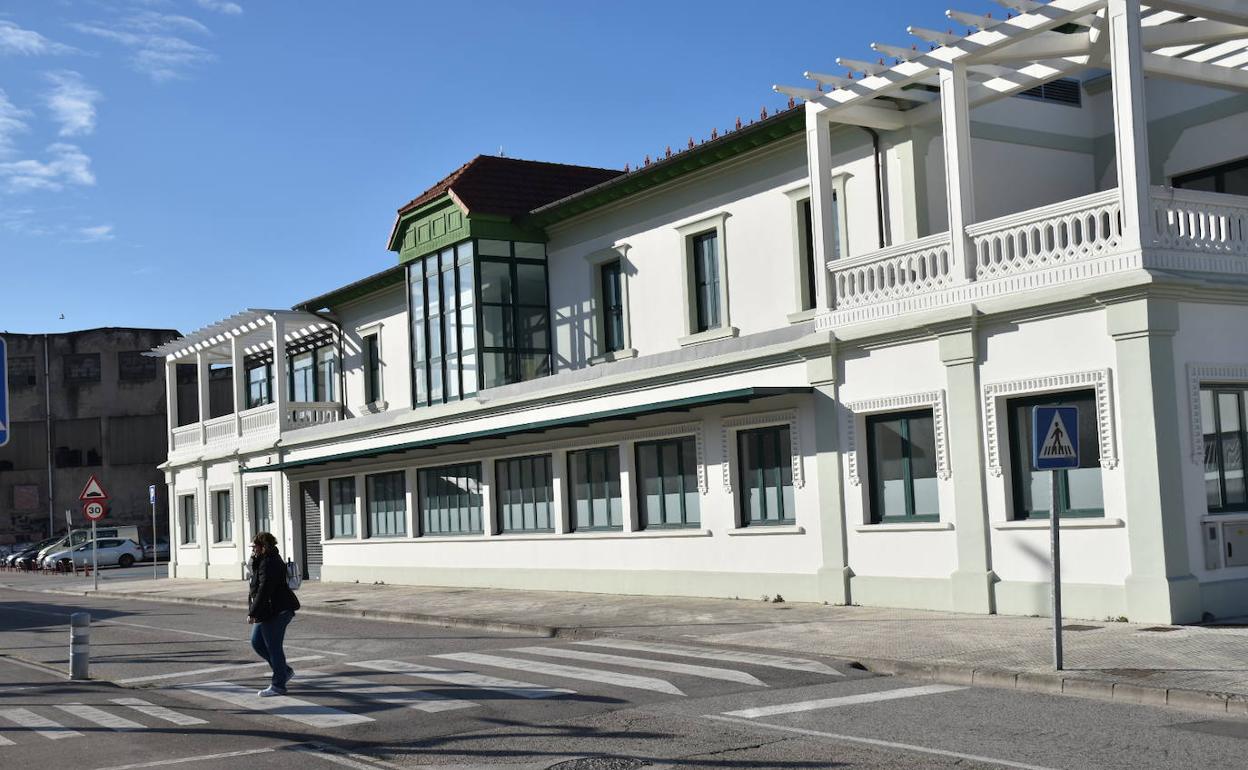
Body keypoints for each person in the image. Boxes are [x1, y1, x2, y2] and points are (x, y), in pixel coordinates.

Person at [247, 531, 301, 697]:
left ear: (263, 546)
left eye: (255, 546)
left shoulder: (269, 562)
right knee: (257, 642)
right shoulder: (262, 560)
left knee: (274, 647)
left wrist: (253, 612)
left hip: (277, 610)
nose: (252, 550)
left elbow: (264, 590)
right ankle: (284, 671)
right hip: (268, 610)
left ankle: (278, 685)